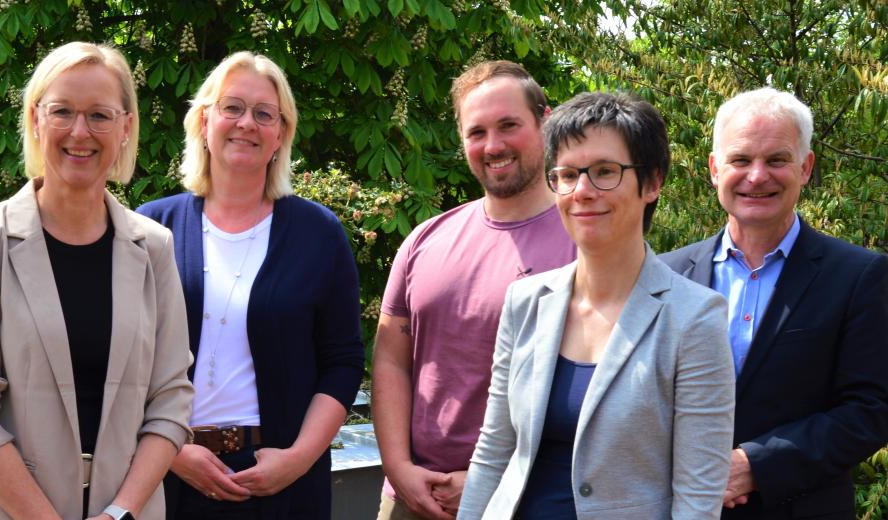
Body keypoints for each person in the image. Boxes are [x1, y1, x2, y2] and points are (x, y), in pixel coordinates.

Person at [0, 42, 193, 520]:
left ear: (126, 127)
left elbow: (171, 398)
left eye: (99, 115)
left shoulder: (154, 247)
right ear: (34, 119)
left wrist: (120, 513)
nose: (79, 131)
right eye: (62, 111)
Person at [458, 92, 736, 519]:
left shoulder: (695, 317)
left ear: (653, 182)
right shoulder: (525, 302)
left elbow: (698, 497)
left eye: (605, 171)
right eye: (567, 175)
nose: (582, 191)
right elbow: (495, 450)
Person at [136, 51, 365, 520]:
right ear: (204, 121)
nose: (247, 123)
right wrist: (173, 451)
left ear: (281, 134)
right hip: (165, 476)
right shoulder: (150, 228)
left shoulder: (318, 233)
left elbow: (342, 362)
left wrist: (299, 458)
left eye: (265, 114)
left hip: (280, 482)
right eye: (232, 108)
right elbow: (119, 362)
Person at [660, 87, 888, 519]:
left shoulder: (859, 276)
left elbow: (871, 411)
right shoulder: (666, 275)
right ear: (714, 169)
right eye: (741, 160)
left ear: (805, 168)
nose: (757, 175)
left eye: (777, 160)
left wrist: (756, 465)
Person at [371, 60, 576, 520]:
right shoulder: (424, 239)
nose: (493, 145)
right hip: (409, 498)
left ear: (545, 121)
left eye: (509, 125)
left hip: (528, 498)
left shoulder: (586, 243)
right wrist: (399, 469)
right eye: (476, 132)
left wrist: (489, 478)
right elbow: (390, 360)